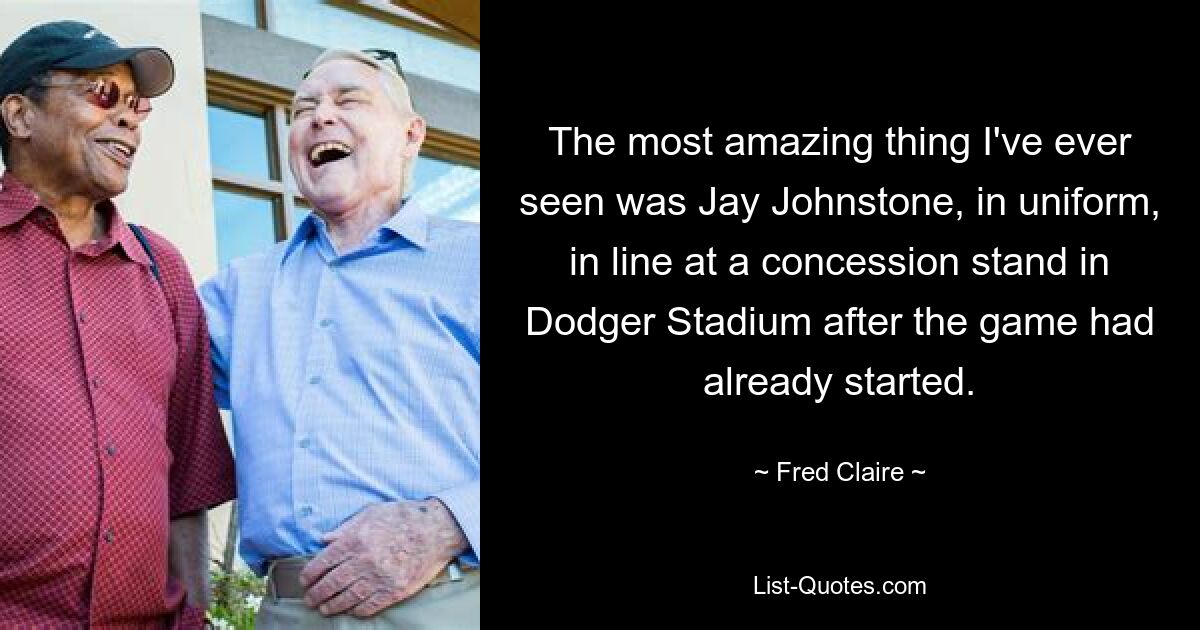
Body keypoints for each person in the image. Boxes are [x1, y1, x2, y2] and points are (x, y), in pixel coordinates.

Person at [200, 47, 479, 627]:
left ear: (410, 135)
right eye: (303, 108)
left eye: (349, 99)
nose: (320, 116)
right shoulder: (237, 291)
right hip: (290, 612)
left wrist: (452, 521)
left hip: (453, 604)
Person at [0, 20, 236, 628]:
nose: (129, 119)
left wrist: (195, 617)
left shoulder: (161, 268)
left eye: (137, 105)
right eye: (102, 94)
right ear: (20, 115)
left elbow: (190, 477)